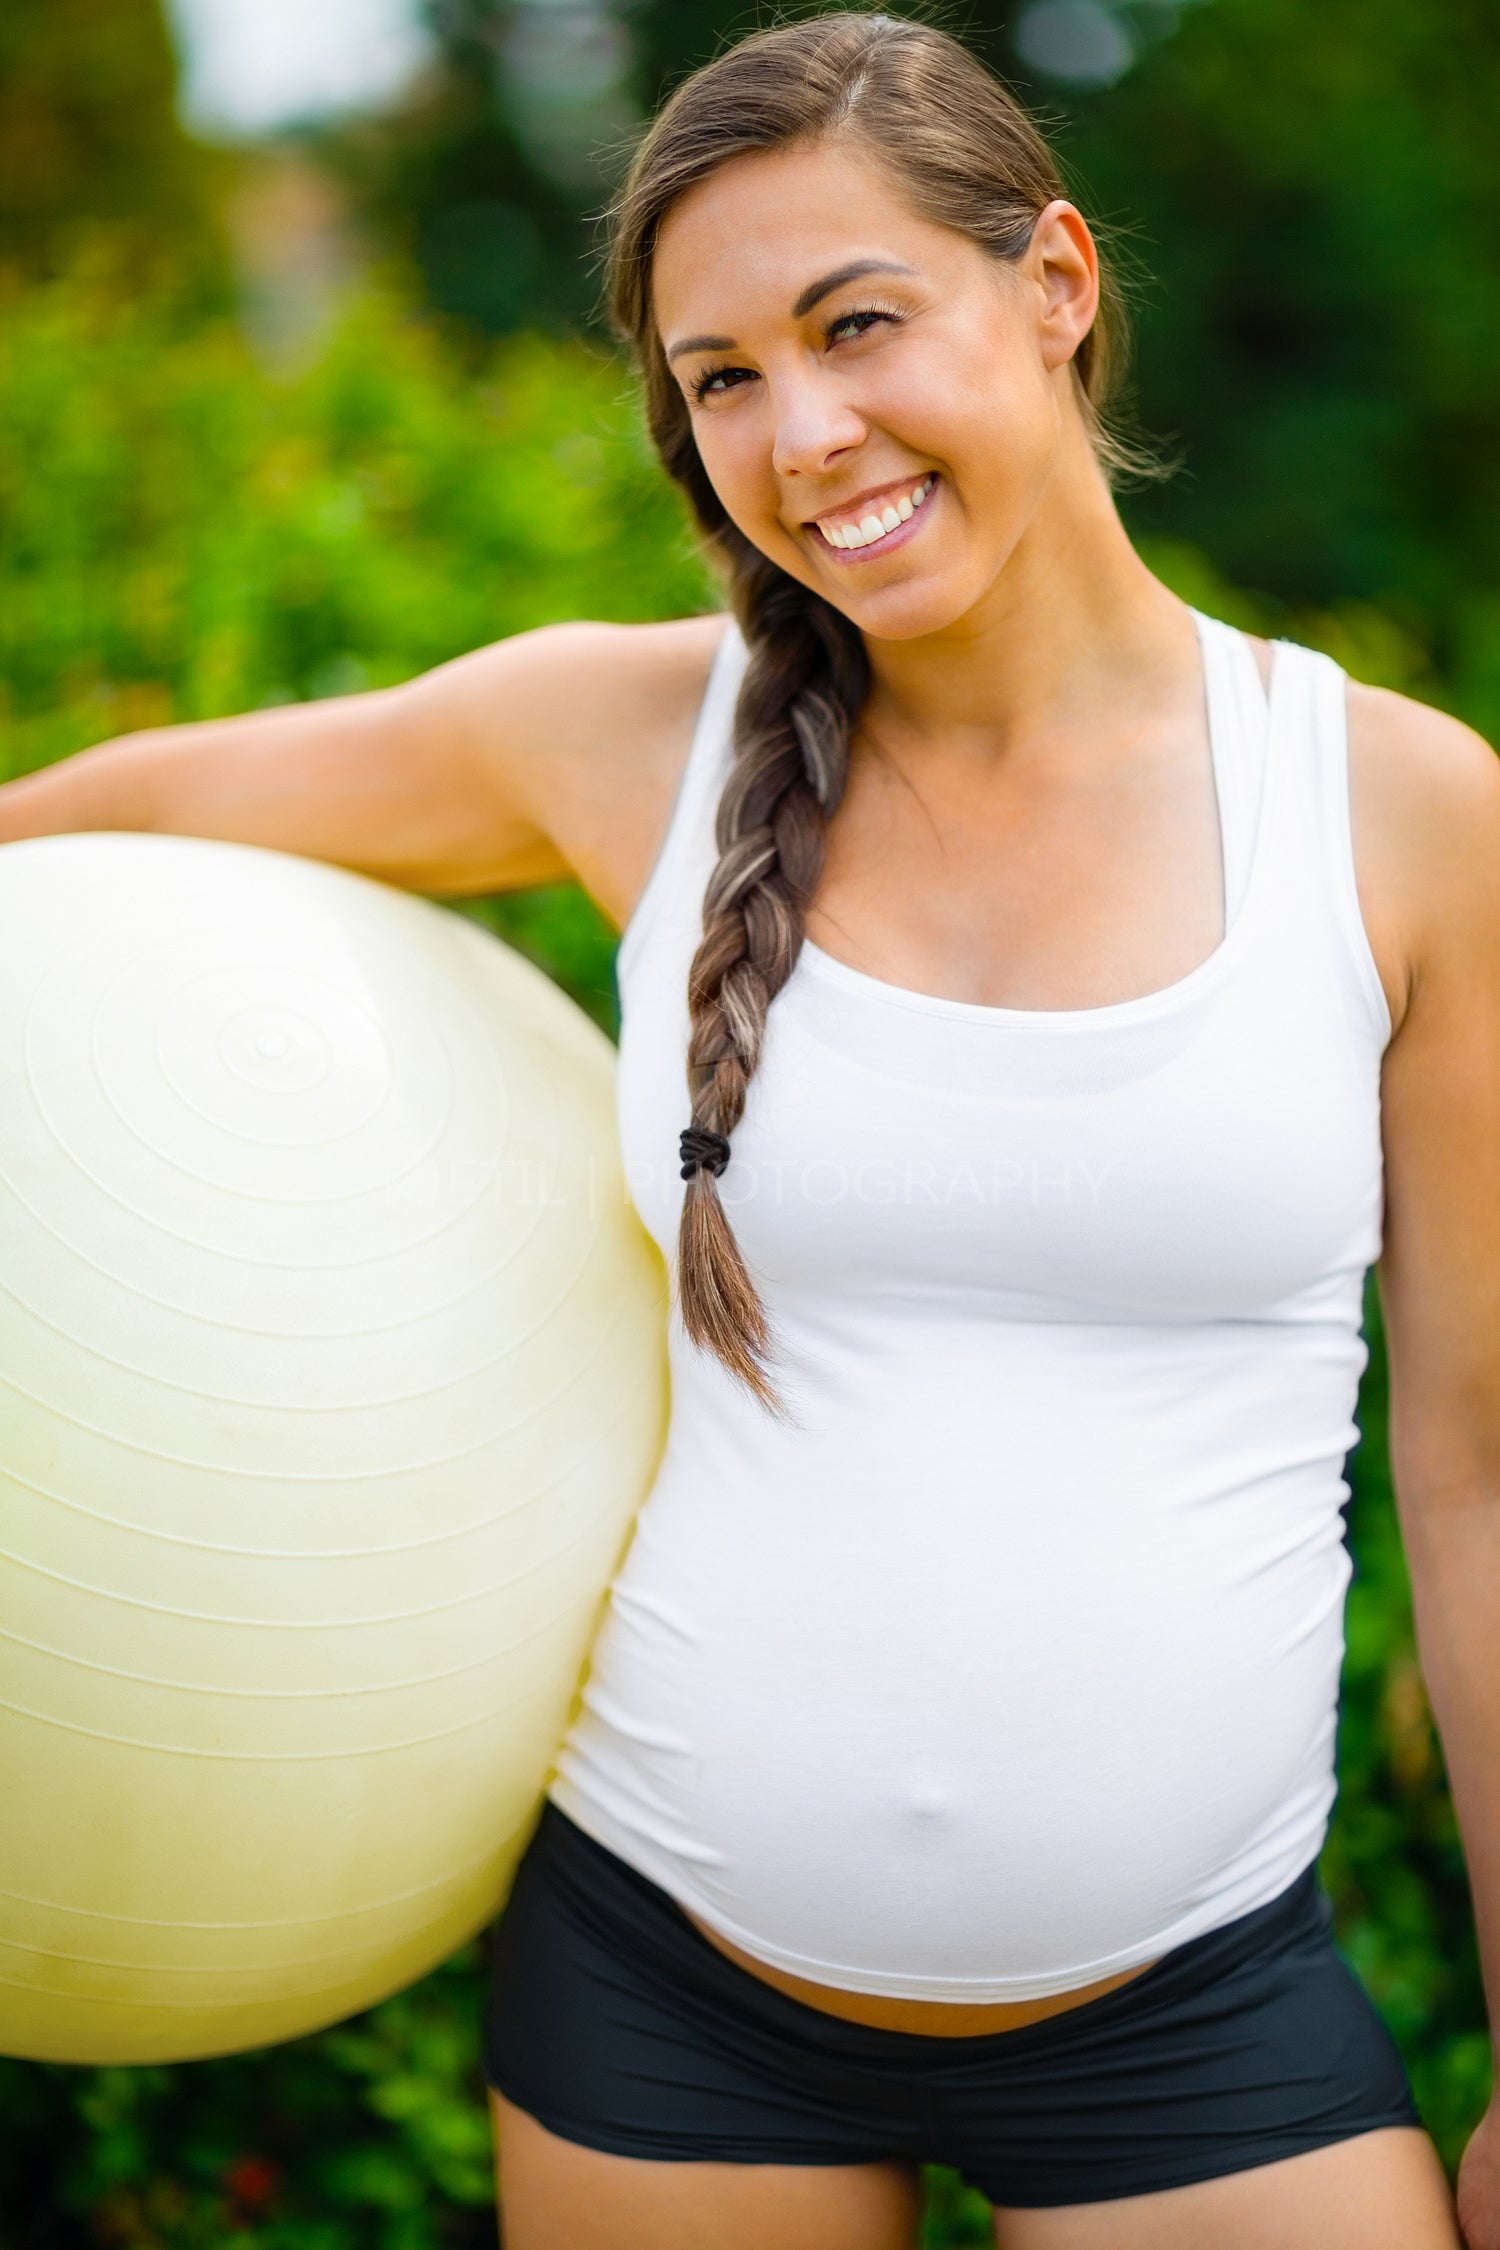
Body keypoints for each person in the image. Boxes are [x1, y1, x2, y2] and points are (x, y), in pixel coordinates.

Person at [4, 13, 1498, 2246]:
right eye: (720, 379)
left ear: (1058, 283)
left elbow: (1481, 1468)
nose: (803, 437)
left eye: (857, 324)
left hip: (1198, 2017)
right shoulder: (620, 741)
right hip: (662, 2005)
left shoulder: (1396, 816)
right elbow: (83, 836)